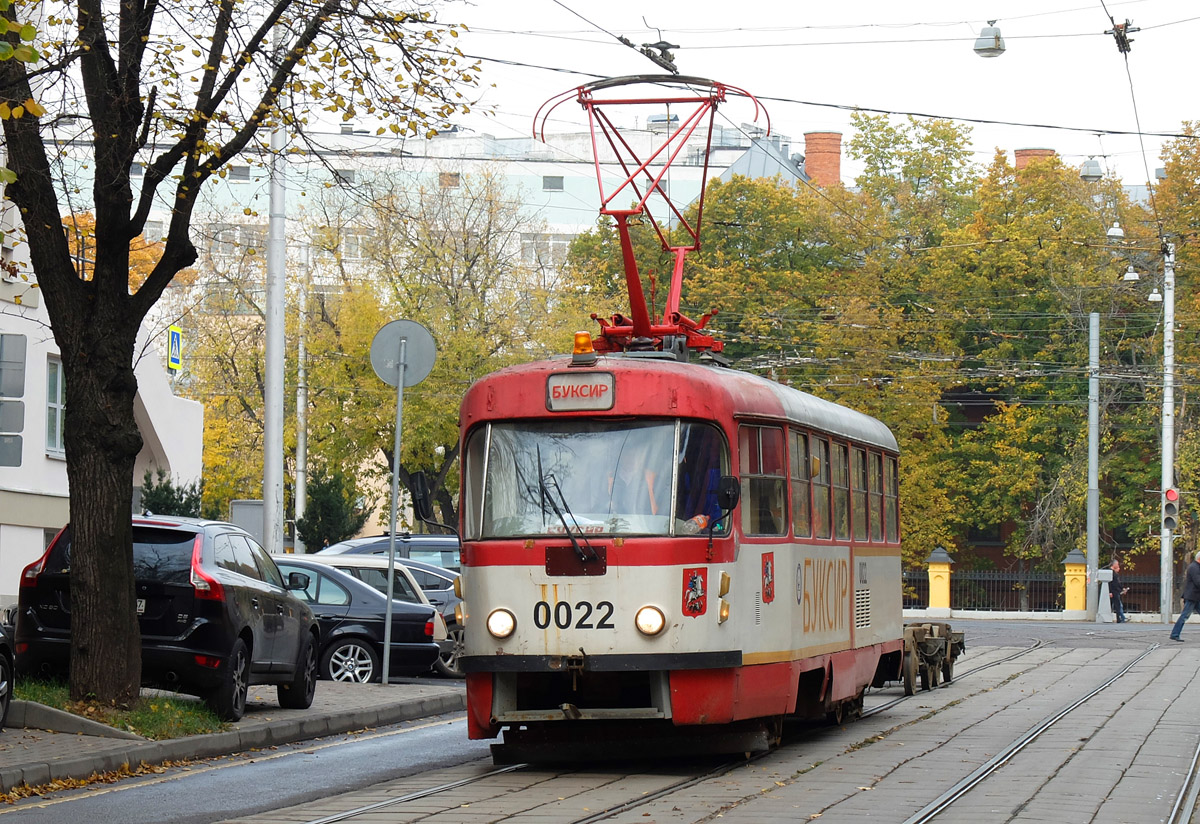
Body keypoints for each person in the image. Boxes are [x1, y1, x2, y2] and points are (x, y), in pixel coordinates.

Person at [1171, 550, 1200, 641]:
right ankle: (1175, 634)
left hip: (1195, 596)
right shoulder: (1194, 567)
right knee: (1184, 616)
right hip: (1192, 596)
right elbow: (1198, 582)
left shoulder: (1195, 567)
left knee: (1184, 616)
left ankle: (1175, 634)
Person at [1109, 559, 1129, 623]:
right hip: (1113, 591)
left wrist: (1122, 588)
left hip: (1115, 591)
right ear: (1114, 564)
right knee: (1117, 605)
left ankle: (1119, 618)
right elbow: (1112, 583)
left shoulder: (1114, 573)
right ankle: (1119, 618)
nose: (1118, 566)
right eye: (1117, 564)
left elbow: (1117, 583)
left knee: (1117, 605)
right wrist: (1110, 592)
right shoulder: (1111, 573)